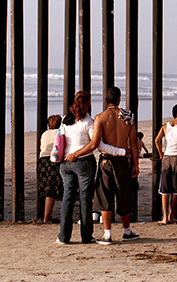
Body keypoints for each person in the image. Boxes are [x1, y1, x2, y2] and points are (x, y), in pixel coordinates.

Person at [68, 86, 138, 245]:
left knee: (105, 195)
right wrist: (136, 164)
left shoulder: (100, 118)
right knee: (123, 194)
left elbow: (95, 143)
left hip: (106, 160)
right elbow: (133, 143)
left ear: (106, 100)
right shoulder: (128, 116)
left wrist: (75, 154)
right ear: (119, 99)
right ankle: (126, 231)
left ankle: (107, 234)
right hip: (123, 160)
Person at [57, 92, 96, 244]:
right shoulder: (88, 121)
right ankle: (86, 236)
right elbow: (93, 144)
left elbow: (60, 139)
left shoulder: (65, 119)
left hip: (66, 162)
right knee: (85, 199)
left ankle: (64, 236)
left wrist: (70, 155)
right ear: (87, 103)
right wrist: (77, 154)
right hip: (83, 161)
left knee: (68, 198)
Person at [37, 114, 63, 223]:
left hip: (42, 161)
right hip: (53, 160)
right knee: (53, 190)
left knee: (46, 189)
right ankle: (47, 218)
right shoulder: (60, 133)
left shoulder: (44, 134)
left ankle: (47, 215)